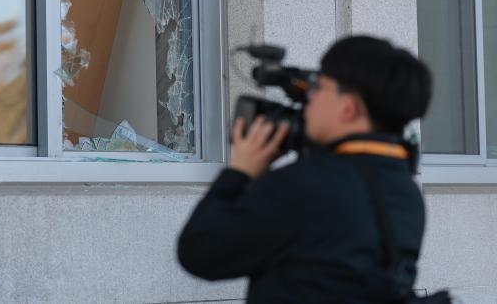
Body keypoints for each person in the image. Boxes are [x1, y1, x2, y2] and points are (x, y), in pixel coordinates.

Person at [177, 35, 432, 303]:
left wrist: (240, 171)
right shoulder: (407, 193)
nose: (309, 98)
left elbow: (199, 252)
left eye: (319, 88)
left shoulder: (306, 186)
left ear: (348, 108)